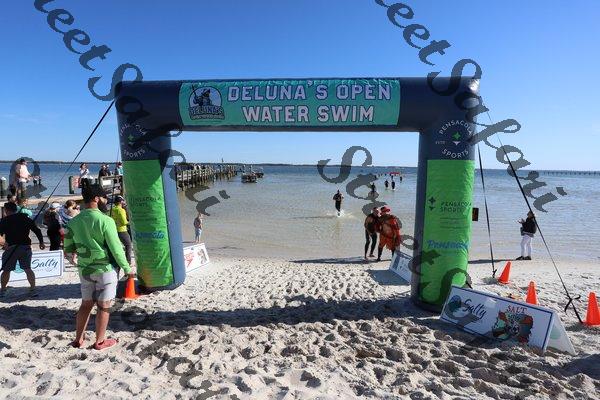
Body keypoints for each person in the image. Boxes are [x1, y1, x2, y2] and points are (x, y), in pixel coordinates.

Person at [63, 184, 134, 350]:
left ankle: (78, 339)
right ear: (96, 199)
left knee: (86, 304)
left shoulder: (73, 221)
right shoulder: (106, 220)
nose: (106, 200)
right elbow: (116, 249)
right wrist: (127, 268)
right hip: (105, 270)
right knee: (104, 305)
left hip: (85, 269)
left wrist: (73, 258)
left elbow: (68, 248)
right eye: (104, 197)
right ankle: (100, 341)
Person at [0, 202, 46, 297]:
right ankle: (33, 289)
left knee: (6, 270)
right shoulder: (25, 218)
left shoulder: (4, 220)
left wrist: (4, 244)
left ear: (6, 210)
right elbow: (37, 230)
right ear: (15, 209)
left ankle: (3, 290)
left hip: (11, 248)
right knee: (27, 269)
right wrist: (41, 242)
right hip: (25, 247)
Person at [109, 195, 132, 269]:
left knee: (117, 247)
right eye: (123, 201)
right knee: (128, 245)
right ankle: (128, 262)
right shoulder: (121, 210)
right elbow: (124, 222)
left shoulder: (112, 209)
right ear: (120, 202)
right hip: (122, 231)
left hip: (114, 230)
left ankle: (117, 262)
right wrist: (130, 222)